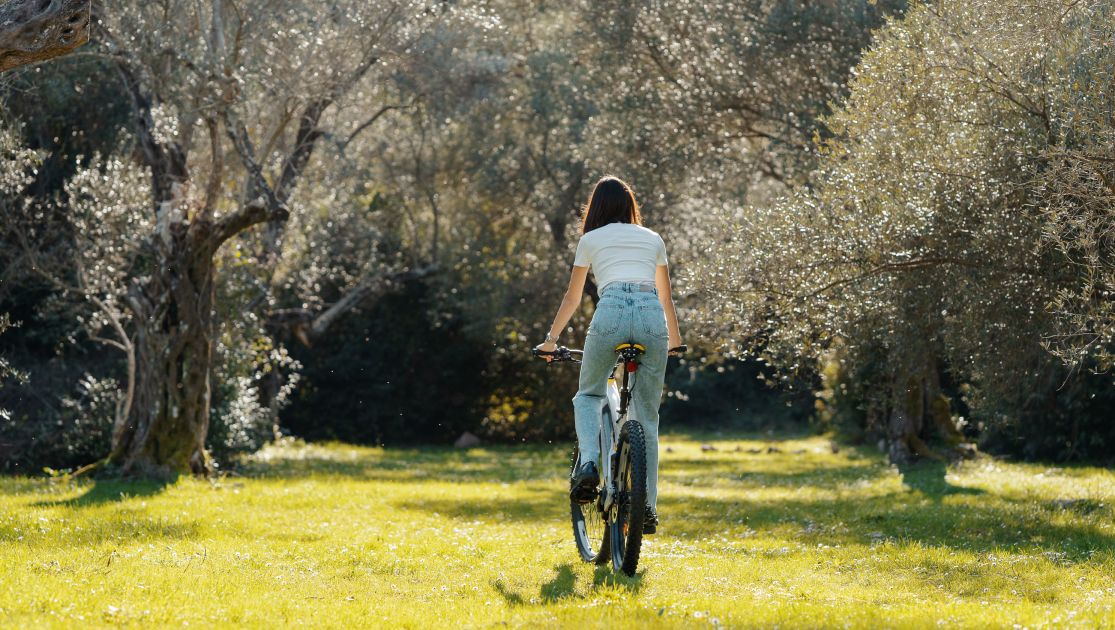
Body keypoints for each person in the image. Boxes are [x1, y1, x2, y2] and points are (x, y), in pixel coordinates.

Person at [534, 175, 684, 534]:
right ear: (630, 206)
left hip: (612, 310)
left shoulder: (590, 239)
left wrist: (551, 341)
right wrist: (675, 341)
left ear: (596, 207)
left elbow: (572, 298)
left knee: (589, 393)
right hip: (651, 316)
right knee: (647, 417)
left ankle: (589, 464)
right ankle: (646, 507)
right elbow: (666, 297)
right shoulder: (653, 239)